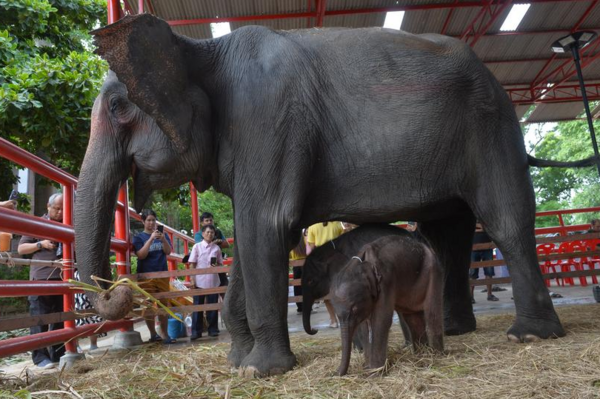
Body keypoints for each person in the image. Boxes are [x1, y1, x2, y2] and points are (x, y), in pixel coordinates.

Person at [17, 193, 65, 369]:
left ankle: (58, 354)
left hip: (61, 279)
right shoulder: (36, 224)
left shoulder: (67, 225)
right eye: (56, 208)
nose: (59, 212)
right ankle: (39, 357)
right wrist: (41, 244)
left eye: (62, 209)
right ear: (48, 206)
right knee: (40, 319)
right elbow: (22, 249)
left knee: (60, 318)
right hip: (41, 278)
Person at [132, 209, 175, 344]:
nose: (151, 223)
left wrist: (163, 240)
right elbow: (141, 255)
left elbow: (168, 252)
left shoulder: (163, 235)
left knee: (163, 304)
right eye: (148, 220)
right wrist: (150, 239)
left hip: (162, 272)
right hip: (145, 275)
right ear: (143, 221)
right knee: (148, 305)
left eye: (153, 220)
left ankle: (165, 334)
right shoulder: (139, 238)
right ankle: (152, 334)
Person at [306, 221, 345, 328]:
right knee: (339, 290)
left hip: (321, 263)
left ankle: (333, 320)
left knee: (325, 293)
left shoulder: (312, 227)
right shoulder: (337, 224)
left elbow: (312, 248)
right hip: (337, 262)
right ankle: (342, 319)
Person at [188, 224, 222, 339]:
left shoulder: (217, 248)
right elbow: (192, 264)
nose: (210, 234)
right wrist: (192, 279)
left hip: (213, 280)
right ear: (202, 234)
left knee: (212, 307)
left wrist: (216, 264)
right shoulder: (197, 247)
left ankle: (212, 329)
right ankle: (196, 332)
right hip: (199, 281)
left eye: (212, 232)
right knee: (197, 307)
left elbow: (220, 264)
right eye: (207, 232)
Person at [194, 212, 230, 290]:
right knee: (203, 290)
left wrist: (218, 243)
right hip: (203, 265)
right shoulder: (198, 235)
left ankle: (223, 302)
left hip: (217, 263)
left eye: (211, 220)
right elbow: (201, 248)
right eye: (207, 220)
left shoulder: (218, 232)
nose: (209, 222)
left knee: (224, 287)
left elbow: (227, 244)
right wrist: (214, 243)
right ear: (202, 223)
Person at [73, 270, 105, 351]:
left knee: (93, 310)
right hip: (76, 274)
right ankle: (76, 345)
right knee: (77, 311)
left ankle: (93, 344)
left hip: (89, 272)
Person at [469, 222, 498, 303]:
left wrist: (478, 228)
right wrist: (483, 228)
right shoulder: (471, 215)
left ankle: (489, 295)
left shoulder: (486, 215)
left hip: (487, 246)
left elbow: (491, 226)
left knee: (489, 271)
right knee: (472, 272)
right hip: (473, 247)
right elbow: (468, 226)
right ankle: (471, 296)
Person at [289, 230, 309, 314]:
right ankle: (308, 306)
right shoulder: (305, 239)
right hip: (305, 264)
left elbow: (289, 255)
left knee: (296, 287)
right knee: (306, 285)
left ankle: (300, 307)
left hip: (296, 266)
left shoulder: (292, 243)